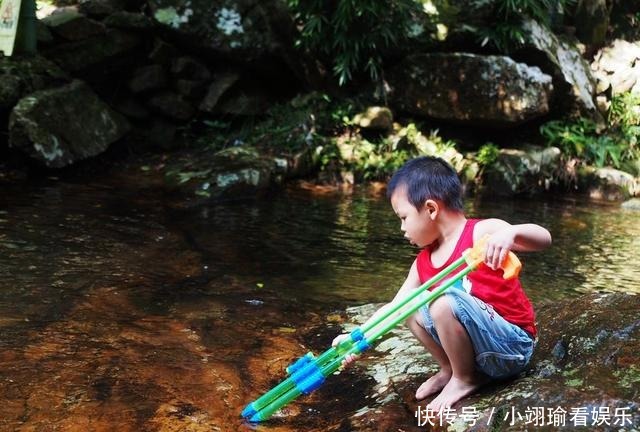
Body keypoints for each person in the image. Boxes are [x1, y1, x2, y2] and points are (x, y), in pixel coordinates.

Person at [332, 156, 552, 412]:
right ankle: (450, 368)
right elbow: (395, 308)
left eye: (403, 217)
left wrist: (511, 233)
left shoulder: (482, 232)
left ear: (431, 209)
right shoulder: (423, 262)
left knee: (442, 301)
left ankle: (463, 378)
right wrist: (357, 339)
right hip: (481, 354)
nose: (402, 228)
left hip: (512, 347)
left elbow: (544, 239)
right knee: (410, 304)